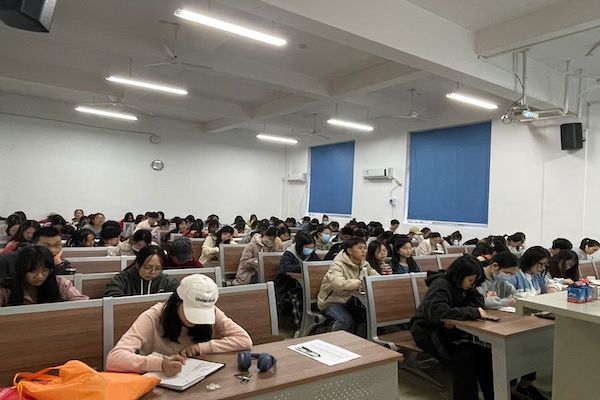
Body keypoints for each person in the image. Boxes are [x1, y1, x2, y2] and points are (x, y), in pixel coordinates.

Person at [106, 274, 252, 374]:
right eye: (193, 312)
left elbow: (244, 340)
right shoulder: (153, 316)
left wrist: (199, 348)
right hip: (159, 385)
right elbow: (114, 358)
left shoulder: (213, 311)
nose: (196, 321)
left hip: (196, 379)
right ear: (177, 302)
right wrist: (160, 364)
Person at [410, 255, 492, 400]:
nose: (472, 285)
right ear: (459, 275)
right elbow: (436, 312)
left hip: (451, 331)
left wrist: (455, 315)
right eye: (470, 281)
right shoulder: (440, 284)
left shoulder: (465, 286)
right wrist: (465, 313)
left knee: (485, 353)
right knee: (465, 359)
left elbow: (478, 303)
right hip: (428, 332)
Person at [317, 238, 379, 336]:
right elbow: (338, 283)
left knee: (367, 318)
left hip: (351, 301)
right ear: (349, 250)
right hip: (332, 301)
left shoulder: (364, 264)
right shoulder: (337, 265)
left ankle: (359, 341)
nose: (364, 251)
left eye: (365, 248)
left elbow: (376, 278)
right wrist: (360, 283)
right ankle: (332, 340)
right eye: (360, 248)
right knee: (345, 321)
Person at [0, 246, 88, 306]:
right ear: (21, 269)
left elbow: (82, 304)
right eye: (33, 271)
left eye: (45, 270)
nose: (40, 276)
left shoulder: (60, 283)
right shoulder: (5, 289)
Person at [104, 245, 180, 297]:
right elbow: (113, 299)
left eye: (158, 268)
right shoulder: (122, 279)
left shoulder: (168, 281)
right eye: (148, 267)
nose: (153, 272)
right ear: (137, 264)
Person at [275, 231, 320, 306]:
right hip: (287, 286)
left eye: (312, 248)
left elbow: (318, 264)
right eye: (307, 248)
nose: (310, 250)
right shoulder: (289, 253)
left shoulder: (311, 253)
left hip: (304, 283)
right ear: (299, 246)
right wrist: (303, 267)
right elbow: (284, 268)